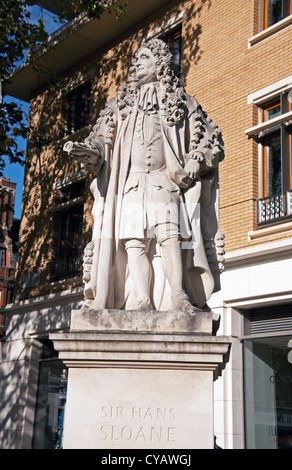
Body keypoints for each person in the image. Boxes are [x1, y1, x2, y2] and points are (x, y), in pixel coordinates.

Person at [64, 38, 225, 312]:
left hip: (165, 180)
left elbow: (210, 137)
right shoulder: (120, 104)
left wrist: (197, 157)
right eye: (136, 60)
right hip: (131, 183)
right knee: (134, 243)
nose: (137, 64)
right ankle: (141, 298)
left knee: (170, 237)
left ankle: (178, 295)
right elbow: (102, 139)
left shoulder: (182, 102)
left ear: (160, 64)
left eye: (145, 58)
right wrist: (91, 152)